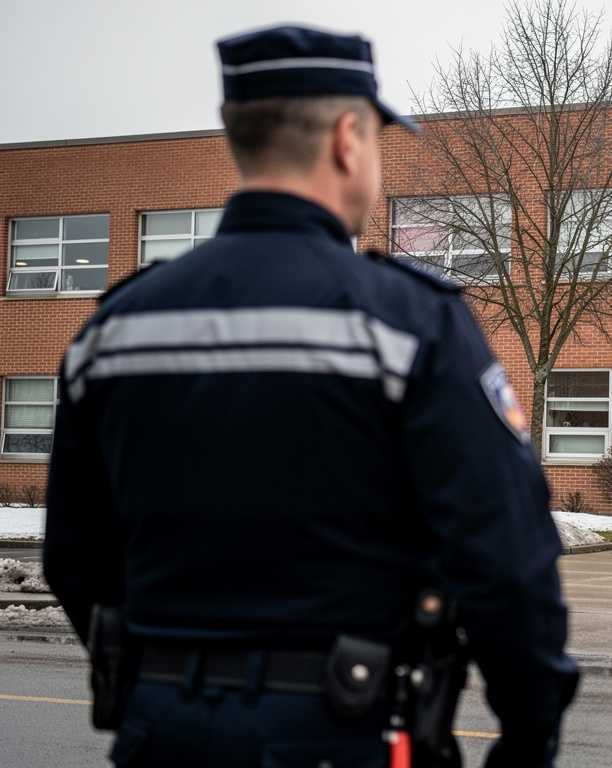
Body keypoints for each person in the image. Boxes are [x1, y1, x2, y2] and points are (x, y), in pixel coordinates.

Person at [43, 25, 577, 768]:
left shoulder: (113, 332)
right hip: (346, 734)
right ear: (348, 139)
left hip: (159, 735)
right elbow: (507, 561)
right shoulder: (408, 321)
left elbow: (75, 558)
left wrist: (160, 680)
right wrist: (528, 737)